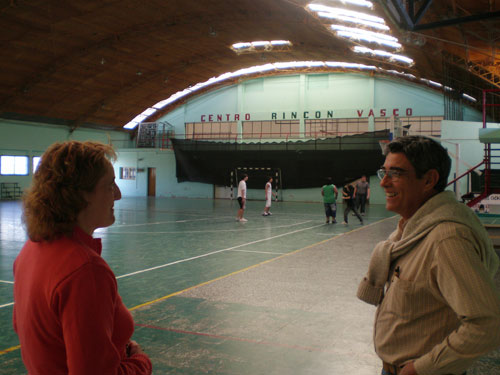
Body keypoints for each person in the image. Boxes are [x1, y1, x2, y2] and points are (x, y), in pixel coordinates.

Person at [356, 136, 500, 375]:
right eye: (385, 172)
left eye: (397, 173)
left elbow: (488, 324)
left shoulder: (446, 240)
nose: (384, 183)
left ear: (429, 180)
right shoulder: (410, 230)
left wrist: (420, 368)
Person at [13, 141, 152, 375]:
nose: (117, 195)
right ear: (80, 195)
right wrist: (141, 362)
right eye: (109, 186)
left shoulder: (31, 249)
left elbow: (38, 333)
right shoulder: (85, 270)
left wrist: (113, 345)